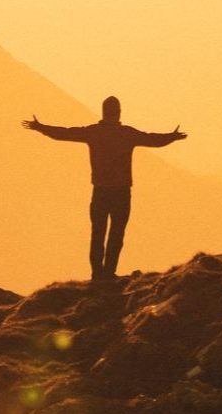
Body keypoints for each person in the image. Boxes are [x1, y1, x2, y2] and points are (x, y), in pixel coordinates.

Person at [23, 96, 187, 281]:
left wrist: (41, 128)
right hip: (121, 192)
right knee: (116, 233)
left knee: (98, 233)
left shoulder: (94, 132)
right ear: (118, 112)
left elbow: (64, 133)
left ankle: (98, 275)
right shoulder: (126, 133)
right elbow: (152, 140)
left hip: (101, 191)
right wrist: (172, 137)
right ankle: (108, 273)